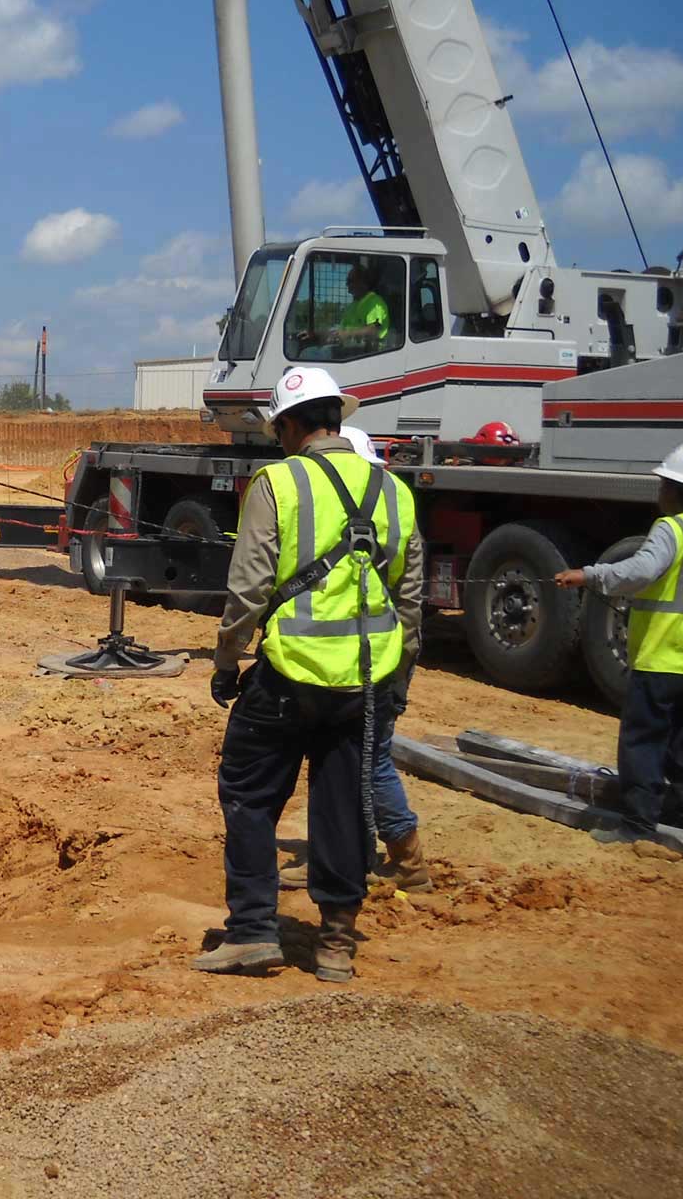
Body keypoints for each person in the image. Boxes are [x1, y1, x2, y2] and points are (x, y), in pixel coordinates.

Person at [196, 366, 422, 983]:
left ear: (291, 425)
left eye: (279, 430)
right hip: (364, 683)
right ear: (338, 418)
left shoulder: (279, 483)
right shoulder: (393, 490)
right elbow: (410, 597)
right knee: (343, 805)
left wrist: (225, 662)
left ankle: (251, 933)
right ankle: (336, 946)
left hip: (289, 677)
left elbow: (248, 589)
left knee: (247, 793)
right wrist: (397, 678)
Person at [555, 441, 683, 862]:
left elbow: (638, 572)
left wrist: (587, 575)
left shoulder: (670, 530)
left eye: (664, 483)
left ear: (676, 489)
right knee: (679, 741)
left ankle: (638, 823)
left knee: (641, 741)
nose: (659, 491)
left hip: (661, 657)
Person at [276, 424, 433, 894]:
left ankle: (408, 860)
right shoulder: (395, 512)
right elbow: (411, 602)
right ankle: (350, 853)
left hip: (363, 664)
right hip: (386, 658)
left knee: (368, 762)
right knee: (354, 761)